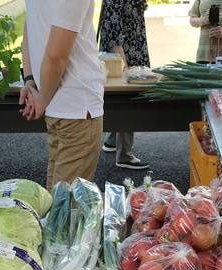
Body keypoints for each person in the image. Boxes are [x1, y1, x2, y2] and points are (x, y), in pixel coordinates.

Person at [20, 0, 104, 190]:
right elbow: (55, 57)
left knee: (55, 196)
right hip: (77, 106)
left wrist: (31, 80)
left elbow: (29, 25)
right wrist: (41, 99)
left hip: (59, 103)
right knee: (66, 203)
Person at [98, 0, 150, 170]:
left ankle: (112, 140)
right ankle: (124, 155)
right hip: (122, 57)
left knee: (123, 99)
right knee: (128, 100)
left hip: (131, 53)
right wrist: (125, 67)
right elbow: (113, 30)